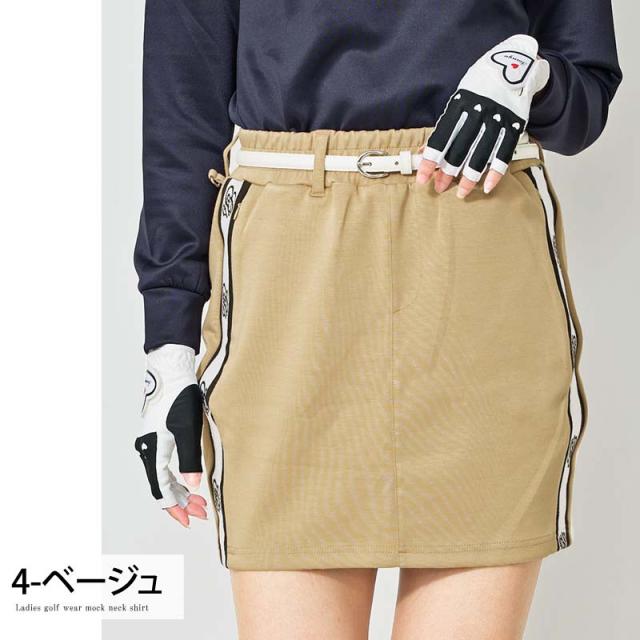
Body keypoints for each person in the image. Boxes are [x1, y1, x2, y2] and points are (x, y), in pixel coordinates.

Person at [133, 2, 622, 638]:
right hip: (289, 278)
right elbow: (182, 116)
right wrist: (168, 349)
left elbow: (586, 94)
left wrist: (531, 75)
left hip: (479, 253)